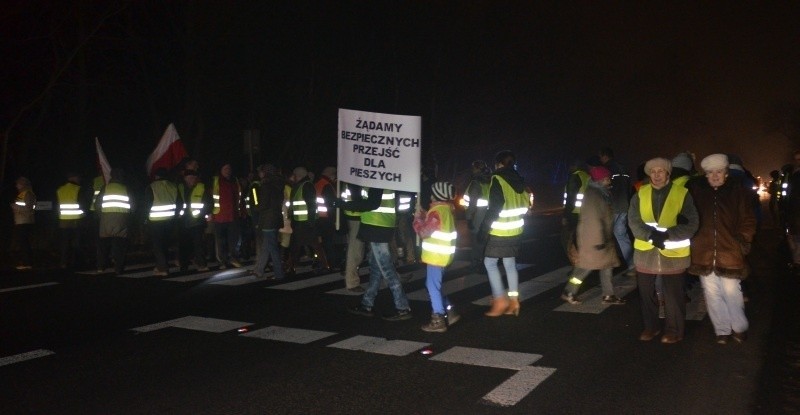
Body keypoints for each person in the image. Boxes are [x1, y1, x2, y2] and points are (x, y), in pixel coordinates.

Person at [687, 154, 756, 344]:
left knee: (732, 291)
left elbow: (748, 220)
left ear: (726, 173)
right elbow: (688, 218)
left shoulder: (738, 191)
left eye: (719, 171)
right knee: (711, 293)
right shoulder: (696, 192)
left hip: (730, 250)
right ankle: (722, 330)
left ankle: (739, 327)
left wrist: (742, 240)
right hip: (703, 251)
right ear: (705, 175)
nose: (715, 175)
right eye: (710, 172)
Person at [628, 158, 699, 344]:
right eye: (653, 171)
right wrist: (650, 236)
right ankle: (651, 327)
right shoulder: (640, 194)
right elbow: (633, 221)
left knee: (673, 296)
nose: (657, 175)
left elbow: (692, 223)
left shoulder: (682, 194)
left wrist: (668, 235)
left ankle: (675, 330)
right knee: (645, 294)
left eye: (661, 171)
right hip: (646, 252)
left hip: (673, 254)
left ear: (668, 173)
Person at [343, 186, 412, 321]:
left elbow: (371, 203)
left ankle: (402, 307)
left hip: (377, 227)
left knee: (388, 271)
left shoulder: (376, 180)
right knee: (376, 270)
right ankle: (367, 304)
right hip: (378, 226)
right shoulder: (376, 178)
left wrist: (343, 204)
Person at [560, 166, 626, 305]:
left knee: (606, 265)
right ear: (601, 179)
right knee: (585, 267)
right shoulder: (594, 195)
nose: (610, 180)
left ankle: (608, 295)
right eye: (608, 178)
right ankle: (569, 292)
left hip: (601, 238)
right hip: (594, 239)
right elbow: (593, 219)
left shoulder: (601, 192)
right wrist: (598, 240)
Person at [477, 150, 530, 317]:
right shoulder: (520, 180)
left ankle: (499, 300)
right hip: (516, 230)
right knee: (509, 264)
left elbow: (494, 208)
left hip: (500, 230)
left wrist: (483, 229)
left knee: (490, 263)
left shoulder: (498, 179)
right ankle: (514, 300)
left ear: (499, 164)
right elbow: (526, 204)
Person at [413, 181, 460, 332]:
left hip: (436, 256)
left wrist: (417, 220)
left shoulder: (436, 212)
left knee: (432, 287)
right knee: (433, 286)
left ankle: (438, 319)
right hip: (443, 255)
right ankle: (449, 310)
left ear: (436, 195)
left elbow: (423, 233)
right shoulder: (445, 210)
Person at [287, 166, 330, 275]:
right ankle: (324, 265)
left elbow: (311, 205)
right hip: (301, 222)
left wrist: (311, 222)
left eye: (294, 175)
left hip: (305, 223)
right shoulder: (301, 185)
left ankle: (291, 267)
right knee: (309, 244)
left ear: (298, 175)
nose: (293, 177)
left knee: (302, 245)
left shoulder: (306, 186)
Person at [599, 147, 635, 275]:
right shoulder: (623, 168)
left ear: (604, 156)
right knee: (621, 236)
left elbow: (607, 189)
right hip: (624, 206)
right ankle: (632, 266)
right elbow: (628, 187)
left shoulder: (606, 169)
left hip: (613, 207)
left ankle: (604, 266)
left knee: (604, 236)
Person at [96, 168, 133, 275]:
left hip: (106, 219)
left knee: (103, 245)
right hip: (121, 219)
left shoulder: (105, 188)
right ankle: (118, 268)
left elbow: (97, 205)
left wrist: (101, 216)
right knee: (120, 245)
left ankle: (100, 267)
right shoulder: (126, 189)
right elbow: (133, 206)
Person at [252, 164, 286, 280]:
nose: (259, 174)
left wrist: (255, 206)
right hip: (276, 218)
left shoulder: (266, 185)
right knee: (267, 246)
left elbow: (263, 204)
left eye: (261, 171)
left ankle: (279, 274)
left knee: (272, 247)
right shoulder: (279, 184)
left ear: (266, 172)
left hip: (268, 219)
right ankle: (259, 270)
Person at [143, 168, 179, 276]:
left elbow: (146, 205)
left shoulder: (152, 186)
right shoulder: (173, 186)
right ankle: (160, 265)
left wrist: (144, 218)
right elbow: (180, 203)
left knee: (157, 245)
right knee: (165, 244)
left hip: (155, 221)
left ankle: (163, 268)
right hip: (170, 221)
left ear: (157, 176)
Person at [177, 169, 211, 272]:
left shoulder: (201, 187)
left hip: (197, 220)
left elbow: (208, 201)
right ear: (185, 178)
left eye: (193, 177)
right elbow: (177, 201)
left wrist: (205, 213)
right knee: (183, 244)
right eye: (189, 177)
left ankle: (201, 264)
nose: (191, 179)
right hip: (183, 220)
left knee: (198, 244)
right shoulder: (180, 187)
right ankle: (184, 265)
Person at [211, 163, 243, 269]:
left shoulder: (235, 181)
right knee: (221, 241)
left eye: (229, 168)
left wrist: (240, 212)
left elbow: (239, 197)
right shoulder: (216, 181)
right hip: (219, 216)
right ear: (220, 170)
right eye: (225, 168)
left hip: (233, 216)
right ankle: (223, 261)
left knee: (233, 240)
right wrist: (210, 213)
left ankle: (233, 258)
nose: (228, 170)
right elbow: (210, 198)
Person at [56, 172, 88, 269]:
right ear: (73, 178)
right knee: (76, 242)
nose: (79, 179)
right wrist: (85, 215)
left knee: (65, 243)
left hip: (63, 220)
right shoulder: (78, 189)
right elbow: (83, 205)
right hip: (76, 220)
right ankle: (76, 262)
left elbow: (57, 205)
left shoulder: (60, 189)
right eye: (78, 177)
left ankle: (64, 262)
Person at [464, 160, 491, 273]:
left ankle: (475, 264)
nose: (472, 170)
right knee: (485, 241)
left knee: (476, 241)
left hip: (477, 217)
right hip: (488, 216)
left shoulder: (476, 183)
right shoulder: (490, 181)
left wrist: (469, 218)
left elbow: (472, 203)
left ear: (477, 169)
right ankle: (485, 263)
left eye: (474, 168)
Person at [340, 182, 366, 292]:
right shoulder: (355, 180)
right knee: (356, 251)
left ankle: (351, 277)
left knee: (358, 251)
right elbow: (358, 200)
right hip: (357, 217)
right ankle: (352, 281)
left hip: (356, 216)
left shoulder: (350, 178)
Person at [562, 158, 590, 262]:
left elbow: (571, 197)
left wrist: (565, 215)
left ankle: (578, 263)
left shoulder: (574, 177)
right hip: (586, 212)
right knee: (583, 238)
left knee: (568, 239)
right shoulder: (587, 176)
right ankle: (586, 261)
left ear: (574, 166)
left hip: (574, 212)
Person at [315, 166, 342, 271]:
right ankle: (332, 263)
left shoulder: (318, 183)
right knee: (329, 242)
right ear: (331, 175)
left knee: (323, 242)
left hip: (319, 217)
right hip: (327, 218)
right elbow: (330, 204)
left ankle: (324, 263)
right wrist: (335, 219)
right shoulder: (327, 185)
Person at [11, 176, 36, 270]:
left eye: (18, 183)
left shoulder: (27, 194)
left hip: (25, 221)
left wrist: (15, 207)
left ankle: (27, 263)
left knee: (24, 243)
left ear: (22, 184)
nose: (16, 185)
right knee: (23, 243)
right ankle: (26, 262)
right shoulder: (22, 194)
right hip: (21, 221)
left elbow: (28, 208)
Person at [786, 150, 800, 272]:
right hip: (795, 212)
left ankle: (797, 262)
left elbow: (791, 196)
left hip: (796, 212)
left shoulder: (795, 176)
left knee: (795, 238)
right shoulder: (794, 176)